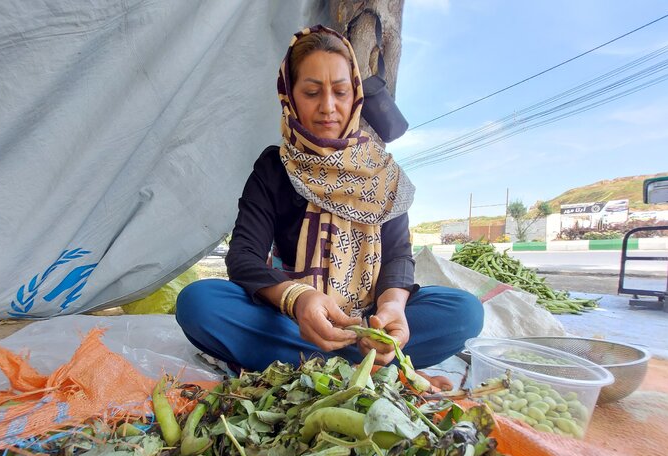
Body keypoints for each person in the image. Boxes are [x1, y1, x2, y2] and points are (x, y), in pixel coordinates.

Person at [176, 26, 483, 389]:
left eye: (340, 91)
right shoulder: (275, 168)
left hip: (368, 325)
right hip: (294, 318)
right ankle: (369, 367)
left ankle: (325, 360)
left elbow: (398, 257)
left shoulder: (382, 174)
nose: (328, 106)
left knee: (464, 312)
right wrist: (299, 299)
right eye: (311, 92)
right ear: (290, 96)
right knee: (199, 303)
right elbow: (243, 256)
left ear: (355, 95)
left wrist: (392, 309)